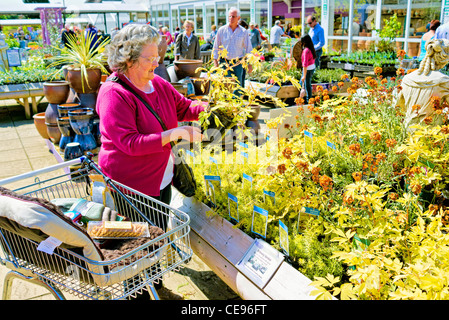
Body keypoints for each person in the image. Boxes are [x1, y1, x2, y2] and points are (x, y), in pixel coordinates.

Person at [97, 22, 205, 213]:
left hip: (161, 178)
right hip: (132, 188)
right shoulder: (113, 93)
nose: (157, 63)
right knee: (144, 239)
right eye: (151, 58)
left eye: (158, 56)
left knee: (160, 232)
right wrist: (176, 133)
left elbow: (184, 107)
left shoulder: (158, 83)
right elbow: (130, 143)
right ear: (129, 60)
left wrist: (212, 108)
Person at [396, 39, 449, 132]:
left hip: (408, 130)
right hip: (431, 134)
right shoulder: (444, 81)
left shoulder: (407, 79)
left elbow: (399, 107)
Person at [212, 7, 253, 91]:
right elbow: (215, 47)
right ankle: (227, 103)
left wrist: (250, 64)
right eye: (230, 16)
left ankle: (237, 103)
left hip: (238, 63)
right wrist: (215, 63)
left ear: (238, 18)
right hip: (224, 62)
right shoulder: (222, 30)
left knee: (238, 86)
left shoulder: (243, 31)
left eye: (233, 16)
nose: (231, 18)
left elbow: (249, 49)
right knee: (226, 85)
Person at [298, 34, 316, 103]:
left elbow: (305, 64)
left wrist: (304, 76)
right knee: (301, 84)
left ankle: (309, 101)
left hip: (307, 70)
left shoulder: (306, 51)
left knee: (307, 86)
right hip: (311, 68)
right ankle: (302, 99)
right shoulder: (311, 48)